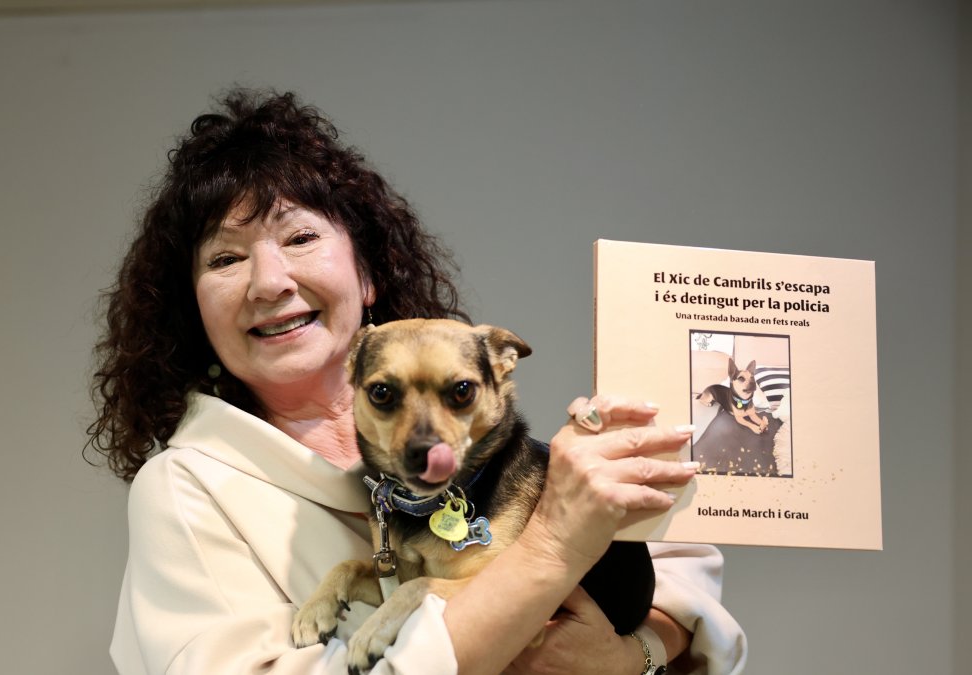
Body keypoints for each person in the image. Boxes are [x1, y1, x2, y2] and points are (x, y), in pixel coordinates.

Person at [87, 89, 747, 675]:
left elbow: (682, 581)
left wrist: (634, 658)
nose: (270, 281)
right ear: (193, 308)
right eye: (226, 257)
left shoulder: (480, 428)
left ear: (366, 272)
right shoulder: (189, 491)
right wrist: (548, 548)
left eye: (298, 237)